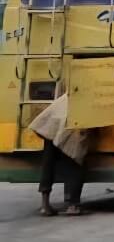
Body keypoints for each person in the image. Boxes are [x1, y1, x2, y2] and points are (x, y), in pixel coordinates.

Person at [30, 85, 90, 216]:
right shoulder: (90, 93)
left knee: (48, 162)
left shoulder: (71, 90)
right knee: (75, 159)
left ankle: (45, 205)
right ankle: (73, 205)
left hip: (52, 124)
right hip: (72, 124)